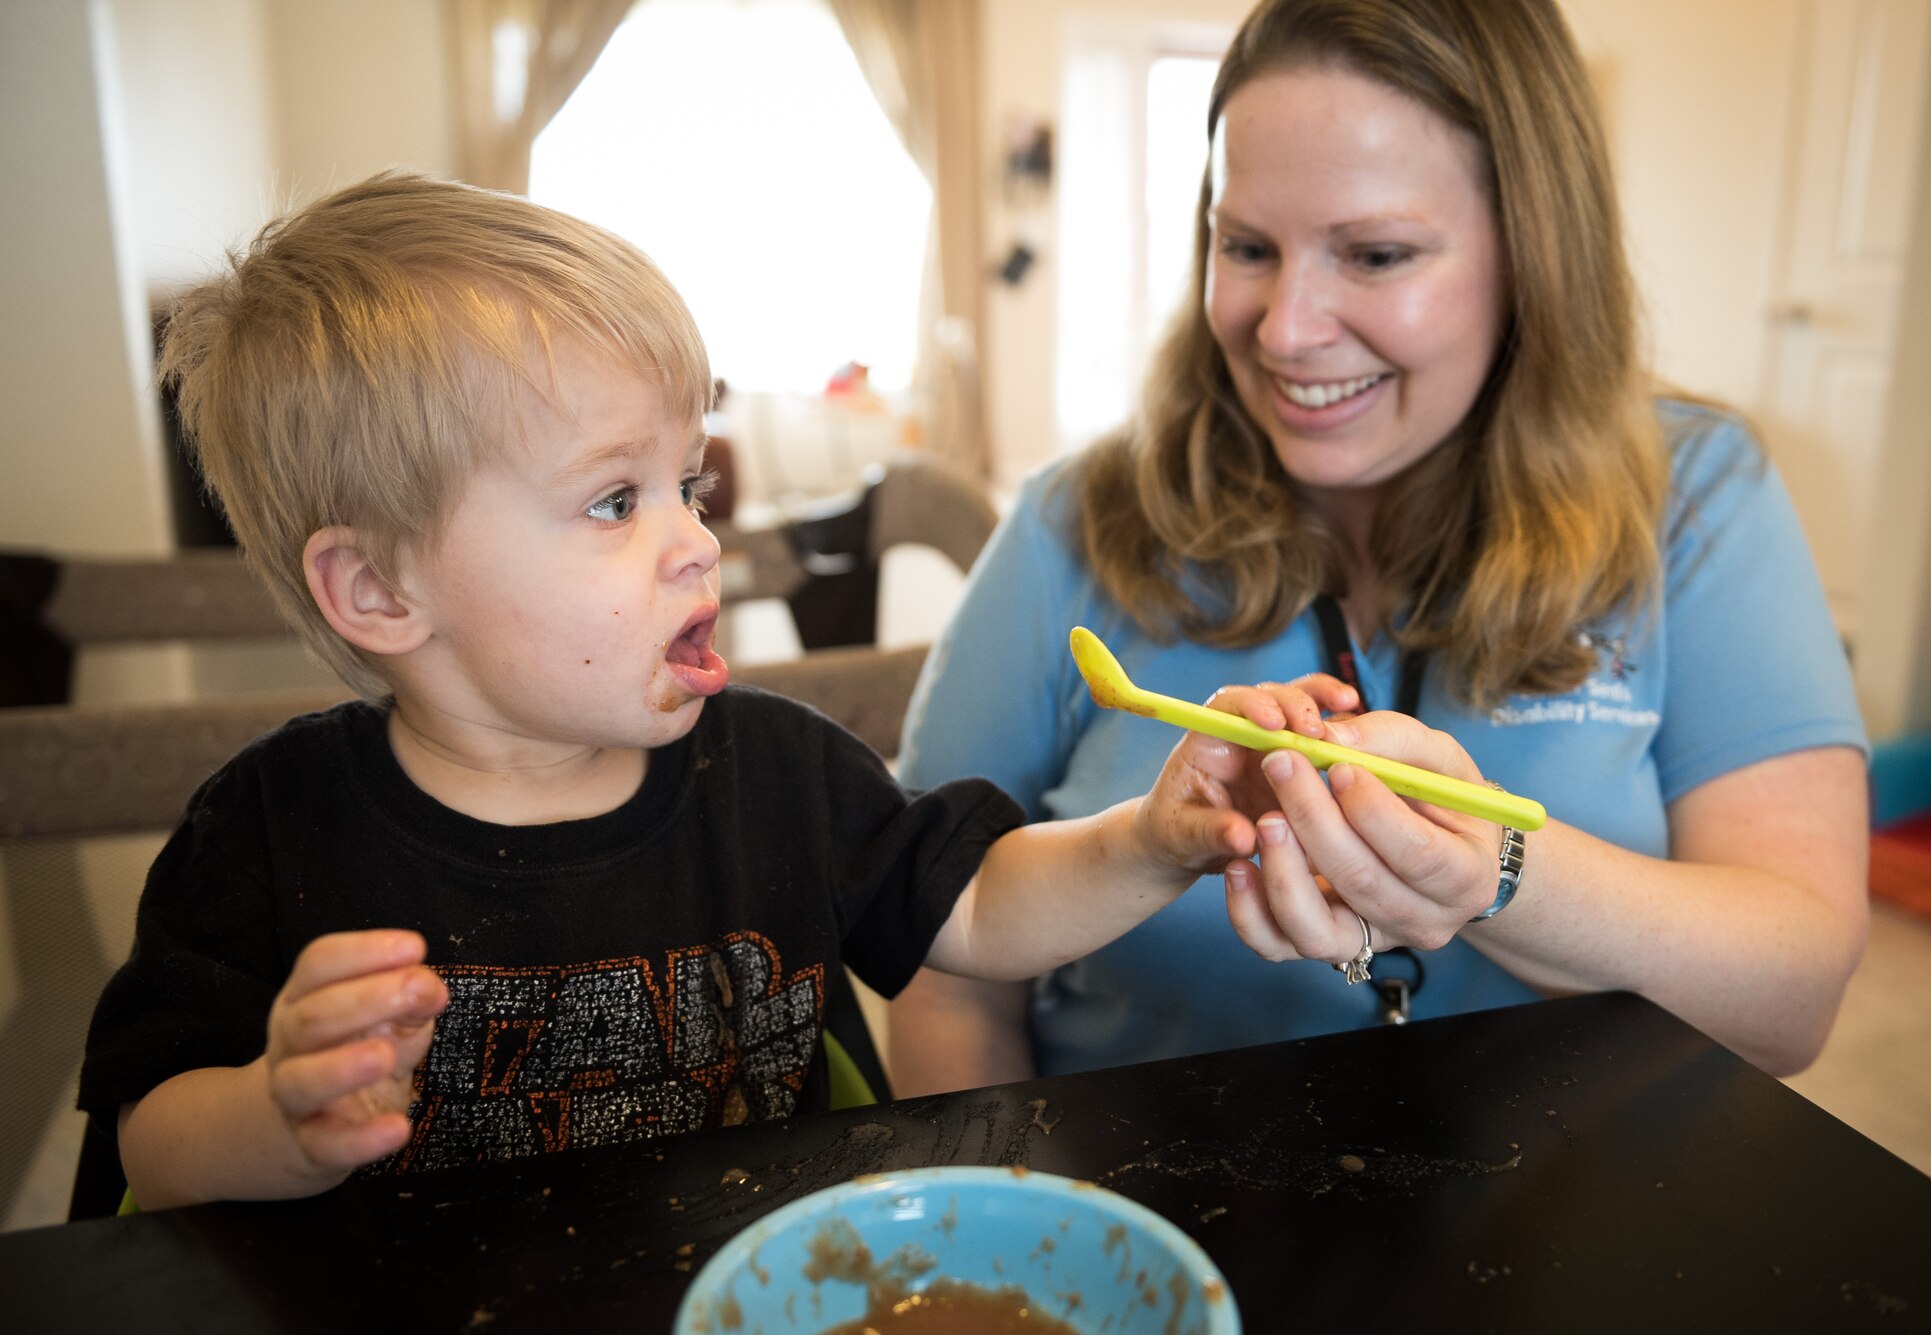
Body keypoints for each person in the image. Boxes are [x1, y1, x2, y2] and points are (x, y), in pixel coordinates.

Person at [76, 172, 1295, 1210]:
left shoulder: (775, 772)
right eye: (615, 501)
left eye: (689, 486)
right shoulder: (269, 829)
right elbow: (149, 1137)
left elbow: (977, 912)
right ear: (381, 591)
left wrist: (1147, 840)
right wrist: (276, 1119)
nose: (697, 544)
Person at [890, 0, 1869, 1095]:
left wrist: (1496, 874)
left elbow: (1793, 1002)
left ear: (1533, 256)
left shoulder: (1695, 499)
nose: (1284, 329)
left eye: (1375, 254)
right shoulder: (1071, 522)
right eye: (1246, 246)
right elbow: (938, 965)